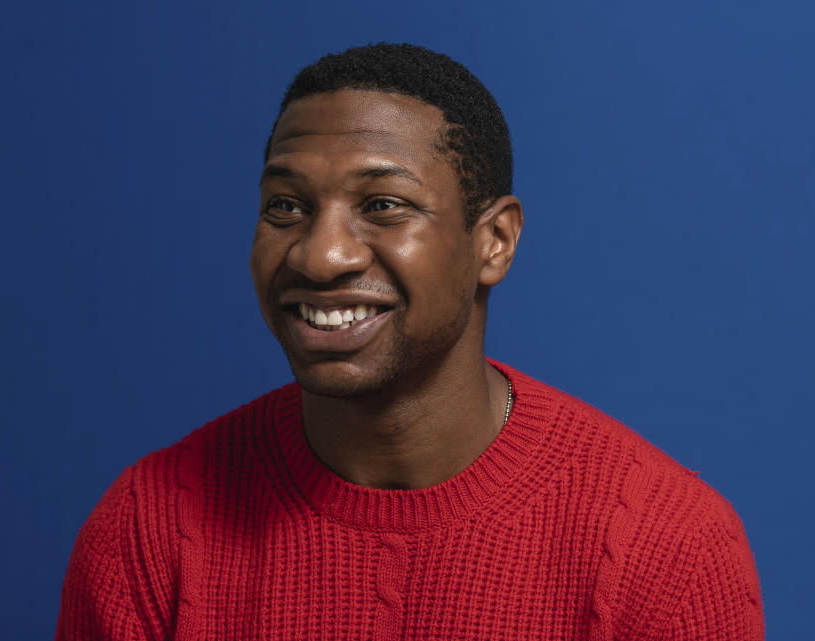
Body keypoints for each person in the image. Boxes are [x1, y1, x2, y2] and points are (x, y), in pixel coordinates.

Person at [56, 43, 764, 640]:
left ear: (494, 241)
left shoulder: (667, 545)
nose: (319, 255)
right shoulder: (147, 529)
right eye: (286, 206)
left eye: (382, 205)